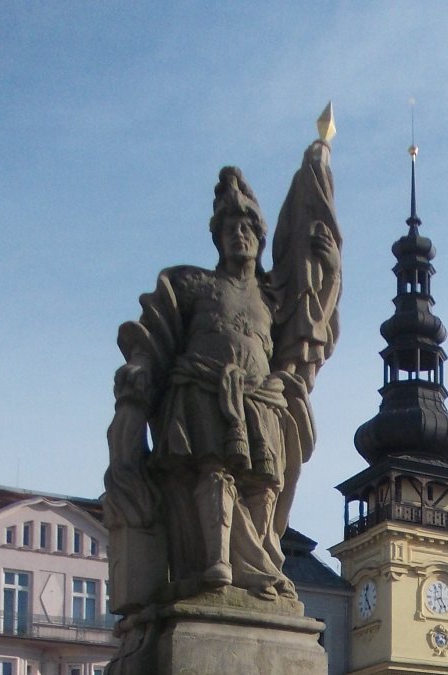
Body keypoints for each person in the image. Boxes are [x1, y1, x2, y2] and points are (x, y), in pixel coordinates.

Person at [105, 125, 341, 609]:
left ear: (259, 236)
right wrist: (141, 366)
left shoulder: (272, 296)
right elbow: (153, 333)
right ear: (217, 238)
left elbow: (310, 298)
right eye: (229, 229)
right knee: (214, 472)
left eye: (247, 229)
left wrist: (318, 177)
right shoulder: (187, 283)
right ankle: (216, 564)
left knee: (266, 483)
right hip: (199, 392)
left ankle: (258, 566)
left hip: (259, 400)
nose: (239, 236)